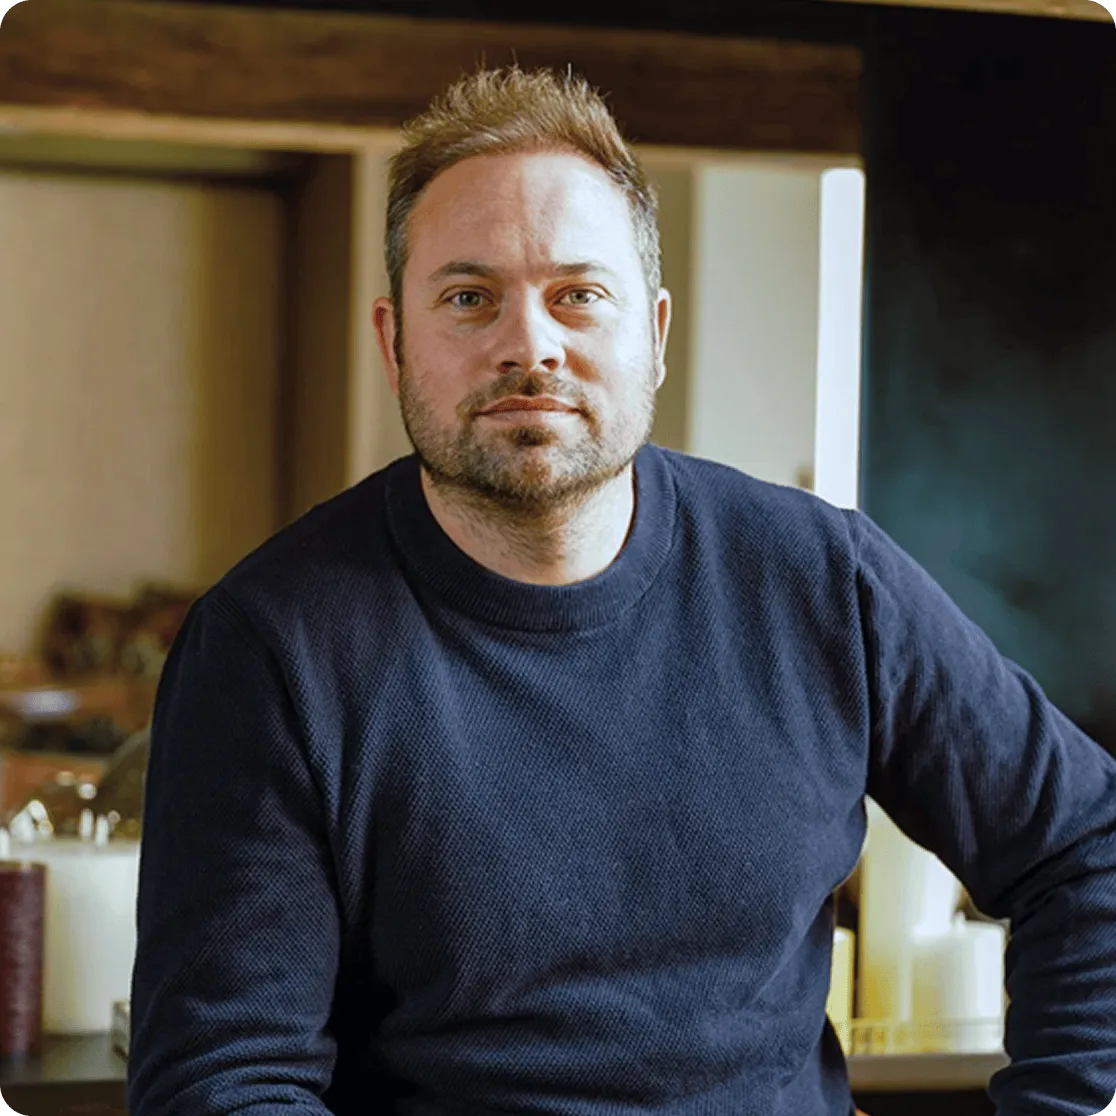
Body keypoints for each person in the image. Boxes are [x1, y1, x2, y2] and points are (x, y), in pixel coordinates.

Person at [126, 66, 1116, 1116]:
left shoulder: (827, 581)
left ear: (652, 330)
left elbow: (1086, 850)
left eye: (577, 296)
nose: (530, 344)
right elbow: (222, 1081)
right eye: (468, 298)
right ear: (393, 339)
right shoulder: (269, 649)